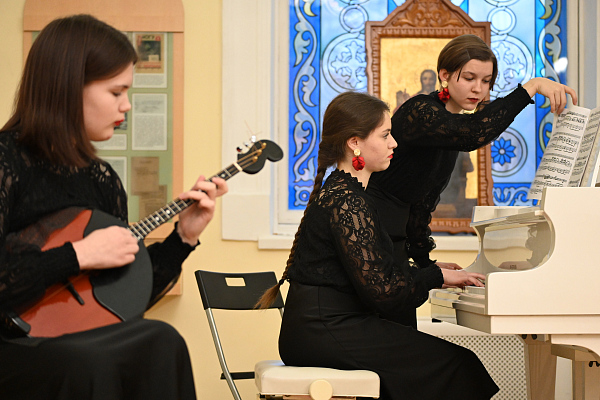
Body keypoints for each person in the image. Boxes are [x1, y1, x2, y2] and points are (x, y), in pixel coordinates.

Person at [0, 14, 227, 399]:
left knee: (162, 339)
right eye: (116, 92)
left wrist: (183, 238)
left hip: (81, 342)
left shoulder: (101, 178)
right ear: (68, 88)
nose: (127, 106)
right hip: (14, 345)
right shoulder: (6, 163)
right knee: (90, 360)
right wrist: (78, 255)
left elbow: (120, 301)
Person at [257, 91, 499, 400]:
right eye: (385, 135)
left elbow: (374, 272)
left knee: (434, 362)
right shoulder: (348, 201)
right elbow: (386, 292)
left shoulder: (348, 194)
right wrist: (436, 276)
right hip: (325, 330)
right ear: (355, 142)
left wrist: (428, 270)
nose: (394, 143)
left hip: (323, 327)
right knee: (458, 365)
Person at [367, 34, 578, 329]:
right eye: (469, 78)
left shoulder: (447, 132)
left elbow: (421, 206)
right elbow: (473, 132)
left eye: (486, 81)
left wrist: (425, 263)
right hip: (372, 238)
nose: (478, 88)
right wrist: (531, 87)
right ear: (444, 75)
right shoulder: (421, 111)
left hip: (396, 247)